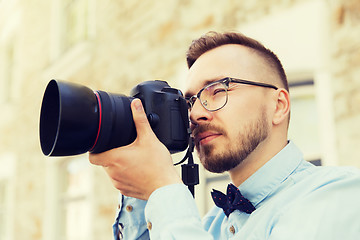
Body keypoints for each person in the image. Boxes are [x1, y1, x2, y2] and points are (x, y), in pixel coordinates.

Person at [89, 31, 360, 239]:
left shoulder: (341, 195)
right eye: (189, 101)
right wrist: (140, 190)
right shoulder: (207, 226)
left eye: (218, 90)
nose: (195, 114)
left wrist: (163, 187)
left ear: (278, 106)